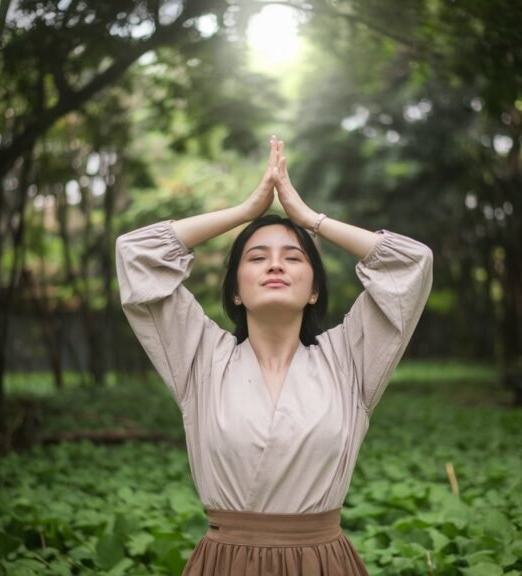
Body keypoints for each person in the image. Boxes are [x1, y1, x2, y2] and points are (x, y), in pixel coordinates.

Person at [115, 136, 433, 575]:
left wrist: (310, 220)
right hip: (226, 563)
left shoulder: (349, 360)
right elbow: (136, 255)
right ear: (236, 292)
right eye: (257, 257)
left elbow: (411, 263)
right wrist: (245, 212)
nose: (276, 265)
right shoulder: (201, 359)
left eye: (294, 257)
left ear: (315, 288)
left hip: (321, 562)